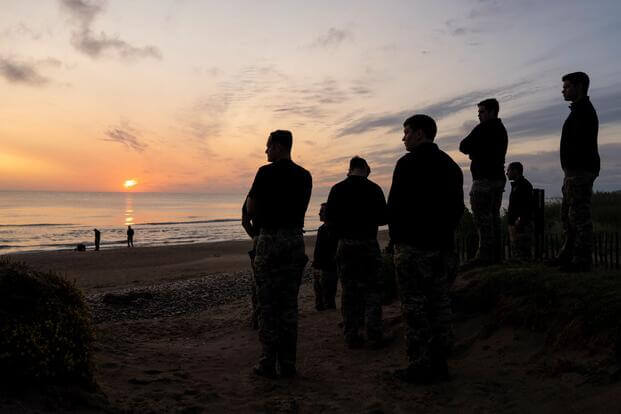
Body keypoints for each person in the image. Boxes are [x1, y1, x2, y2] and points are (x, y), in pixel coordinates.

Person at [387, 114, 464, 383]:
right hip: (442, 248)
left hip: (413, 248)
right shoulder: (451, 166)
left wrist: (395, 242)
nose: (403, 137)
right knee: (440, 305)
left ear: (420, 133)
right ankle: (440, 362)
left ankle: (420, 364)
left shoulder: (407, 164)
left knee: (415, 308)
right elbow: (457, 210)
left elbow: (394, 208)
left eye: (406, 132)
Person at [246, 130, 312, 378]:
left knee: (267, 303)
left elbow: (250, 207)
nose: (265, 151)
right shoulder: (305, 176)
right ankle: (288, 363)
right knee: (288, 304)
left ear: (278, 146)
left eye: (268, 146)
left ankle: (267, 361)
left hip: (270, 240)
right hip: (294, 240)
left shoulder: (265, 173)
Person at [326, 156, 387, 349]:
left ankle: (351, 333)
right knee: (372, 290)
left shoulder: (337, 189)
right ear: (365, 168)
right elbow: (383, 218)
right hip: (368, 244)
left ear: (350, 169)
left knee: (349, 291)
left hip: (346, 245)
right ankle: (374, 332)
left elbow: (329, 220)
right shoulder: (375, 189)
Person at [553, 71, 600, 272]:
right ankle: (568, 256)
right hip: (573, 172)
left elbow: (580, 145)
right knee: (569, 216)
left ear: (579, 87)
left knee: (579, 217)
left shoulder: (584, 112)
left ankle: (581, 261)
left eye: (567, 86)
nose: (563, 90)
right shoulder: (578, 111)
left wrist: (575, 169)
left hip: (580, 172)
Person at [459, 98, 508, 265]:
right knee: (494, 218)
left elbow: (463, 146)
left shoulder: (483, 128)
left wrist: (475, 152)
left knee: (483, 219)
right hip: (498, 178)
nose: (479, 115)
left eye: (482, 111)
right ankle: (496, 255)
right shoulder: (501, 129)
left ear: (492, 112)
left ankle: (485, 256)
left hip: (484, 180)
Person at [311, 203, 339, 311]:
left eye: (322, 211)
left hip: (329, 268)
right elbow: (318, 250)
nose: (319, 213)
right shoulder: (322, 229)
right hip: (320, 267)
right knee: (320, 298)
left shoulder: (333, 230)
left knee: (328, 297)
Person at [506, 162, 534, 261]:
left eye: (508, 170)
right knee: (517, 250)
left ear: (515, 171)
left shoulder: (523, 185)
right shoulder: (518, 185)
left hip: (521, 225)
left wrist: (520, 220)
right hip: (517, 224)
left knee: (522, 251)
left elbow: (527, 205)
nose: (507, 173)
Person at [242, 198, 259, 329]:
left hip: (263, 240)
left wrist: (255, 237)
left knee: (259, 283)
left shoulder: (259, 187)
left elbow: (245, 220)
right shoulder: (303, 178)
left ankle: (258, 319)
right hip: (292, 238)